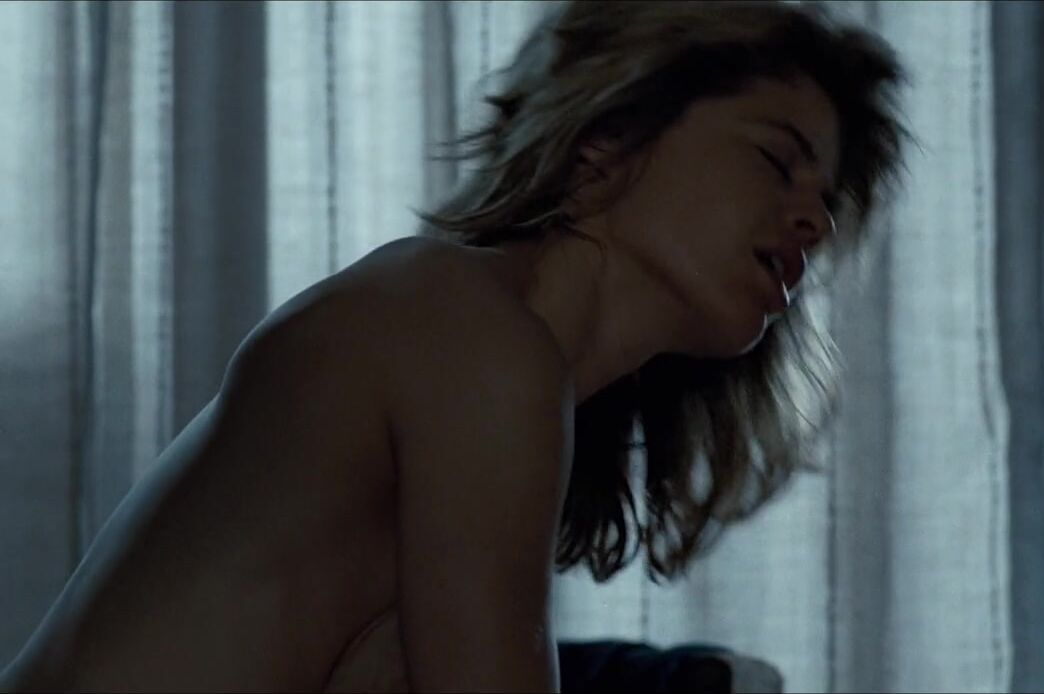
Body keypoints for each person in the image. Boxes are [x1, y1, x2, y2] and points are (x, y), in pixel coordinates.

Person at [0, 1, 908, 691]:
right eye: (776, 161)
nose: (814, 220)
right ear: (606, 141)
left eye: (827, 200)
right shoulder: (467, 331)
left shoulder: (485, 368)